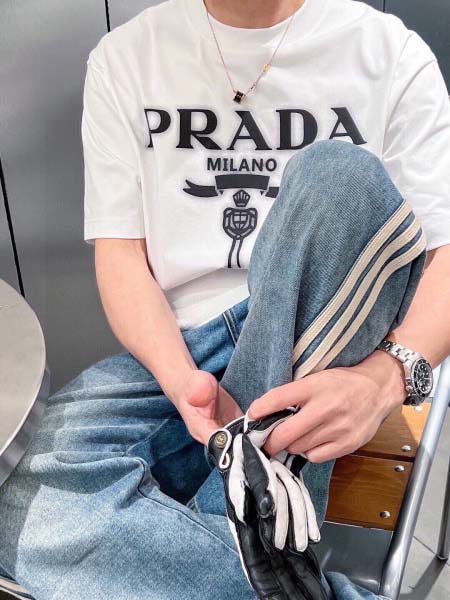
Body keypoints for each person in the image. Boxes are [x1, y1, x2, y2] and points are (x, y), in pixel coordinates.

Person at [1, 0, 450, 598]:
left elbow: (446, 256)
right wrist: (180, 381)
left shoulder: (388, 53)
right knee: (16, 502)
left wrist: (385, 379)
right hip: (178, 349)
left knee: (340, 181)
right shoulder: (127, 56)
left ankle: (238, 524)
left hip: (318, 326)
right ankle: (277, 571)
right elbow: (121, 256)